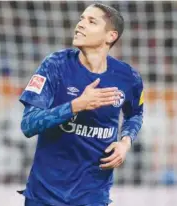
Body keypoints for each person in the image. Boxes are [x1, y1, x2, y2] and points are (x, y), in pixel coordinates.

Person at [18, 3, 144, 206]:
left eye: (91, 21)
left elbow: (135, 113)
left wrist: (125, 143)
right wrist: (76, 105)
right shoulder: (55, 65)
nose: (80, 25)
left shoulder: (128, 77)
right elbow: (28, 125)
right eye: (81, 19)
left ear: (110, 36)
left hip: (92, 196)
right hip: (45, 195)